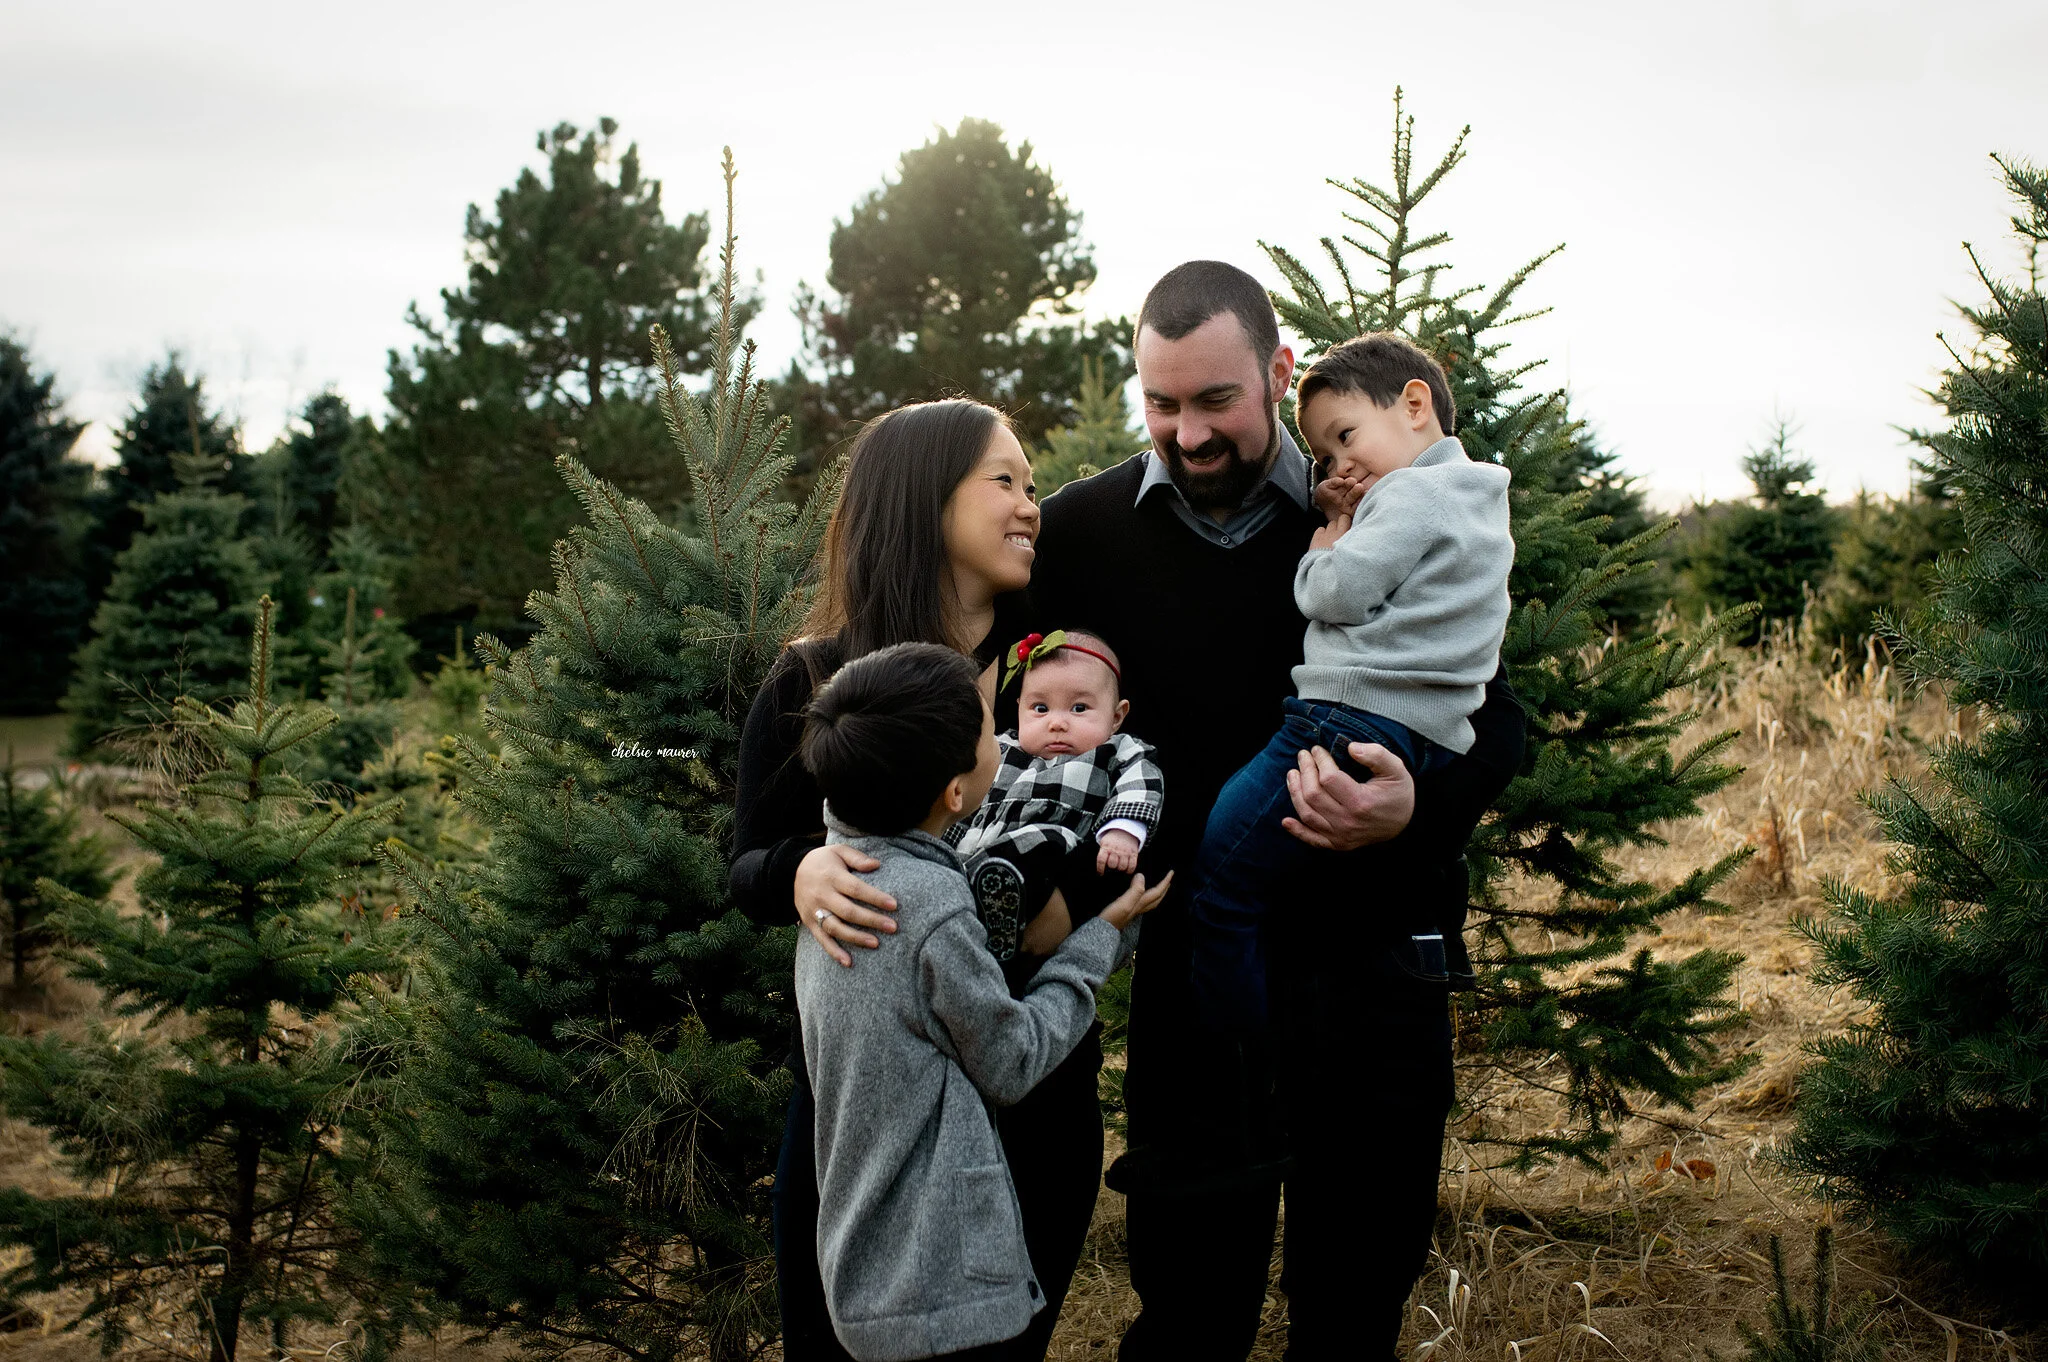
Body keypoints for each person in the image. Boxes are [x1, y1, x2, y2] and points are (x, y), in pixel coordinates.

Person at [732, 399, 1149, 1362]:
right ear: (924, 500)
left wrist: (1066, 916)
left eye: (1034, 485)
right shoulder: (821, 680)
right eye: (1003, 480)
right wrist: (800, 872)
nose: (1030, 505)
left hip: (1032, 1093)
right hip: (868, 1122)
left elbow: (1141, 806)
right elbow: (747, 861)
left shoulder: (1061, 663)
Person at [795, 641, 1164, 1362]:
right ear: (956, 796)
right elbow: (1013, 1060)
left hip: (859, 1244)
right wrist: (1101, 937)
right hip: (943, 1265)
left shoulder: (836, 884)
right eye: (982, 728)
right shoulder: (934, 905)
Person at [1185, 332, 1514, 1033]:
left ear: (1415, 405)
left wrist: (1323, 547)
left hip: (1341, 723)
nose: (1340, 464)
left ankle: (1234, 1054)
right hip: (1429, 736)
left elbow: (1340, 594)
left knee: (1217, 889)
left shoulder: (1410, 494)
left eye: (1345, 436)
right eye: (1325, 457)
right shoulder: (1478, 500)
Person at [951, 629, 1165, 965]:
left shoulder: (1117, 751)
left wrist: (1122, 832)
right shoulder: (1001, 750)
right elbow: (966, 807)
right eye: (1040, 708)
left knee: (1043, 846)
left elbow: (1141, 784)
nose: (1057, 723)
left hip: (1052, 854)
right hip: (977, 855)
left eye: (1079, 708)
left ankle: (1005, 911)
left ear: (1116, 716)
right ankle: (988, 917)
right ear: (1019, 708)